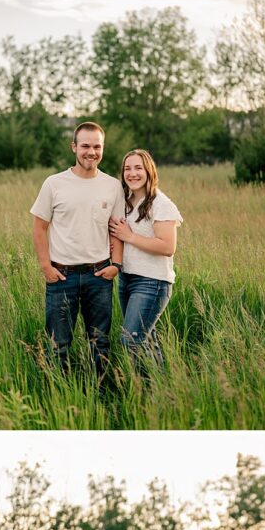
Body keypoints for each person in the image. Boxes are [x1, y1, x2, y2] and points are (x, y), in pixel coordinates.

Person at [31, 122, 125, 379]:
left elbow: (117, 230)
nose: (91, 152)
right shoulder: (54, 183)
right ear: (74, 147)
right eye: (85, 145)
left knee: (100, 344)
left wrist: (116, 265)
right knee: (58, 347)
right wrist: (46, 267)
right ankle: (57, 398)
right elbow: (39, 228)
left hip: (99, 276)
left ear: (102, 149)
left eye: (97, 146)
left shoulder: (113, 186)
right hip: (62, 277)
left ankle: (103, 395)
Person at [108, 149, 182, 370]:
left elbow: (168, 247)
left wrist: (130, 236)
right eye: (127, 169)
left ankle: (144, 392)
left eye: (138, 168)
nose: (132, 173)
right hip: (127, 279)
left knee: (130, 340)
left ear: (149, 171)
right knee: (147, 340)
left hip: (152, 282)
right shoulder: (126, 202)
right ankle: (160, 393)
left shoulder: (161, 203)